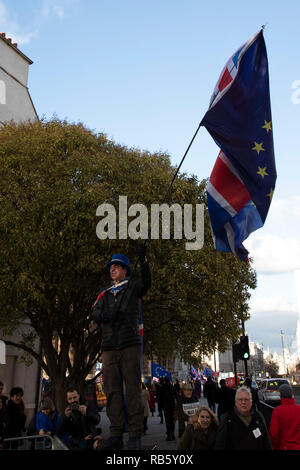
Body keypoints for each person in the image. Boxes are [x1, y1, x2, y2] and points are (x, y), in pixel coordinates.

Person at [92, 250, 151, 450]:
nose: (112, 269)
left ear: (125, 270)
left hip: (129, 343)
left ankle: (135, 432)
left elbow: (147, 284)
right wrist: (108, 314)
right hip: (109, 346)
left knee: (132, 389)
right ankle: (116, 432)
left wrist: (144, 263)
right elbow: (95, 313)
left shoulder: (133, 287)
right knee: (112, 390)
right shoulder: (105, 293)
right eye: (111, 267)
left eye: (116, 266)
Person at [215, 385, 272, 450]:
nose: (243, 402)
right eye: (240, 399)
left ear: (251, 402)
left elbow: (266, 442)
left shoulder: (258, 417)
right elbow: (220, 443)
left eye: (246, 400)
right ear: (236, 402)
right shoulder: (228, 418)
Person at [269, 383, 300, 450]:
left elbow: (274, 434)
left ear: (280, 395)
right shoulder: (298, 409)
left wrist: (276, 447)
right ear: (292, 395)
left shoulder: (277, 411)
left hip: (284, 446)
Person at [161, 377, 176, 441]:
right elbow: (176, 395)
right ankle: (172, 434)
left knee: (167, 421)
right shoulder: (172, 386)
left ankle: (169, 435)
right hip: (171, 405)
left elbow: (160, 397)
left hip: (166, 406)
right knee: (172, 420)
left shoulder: (163, 387)